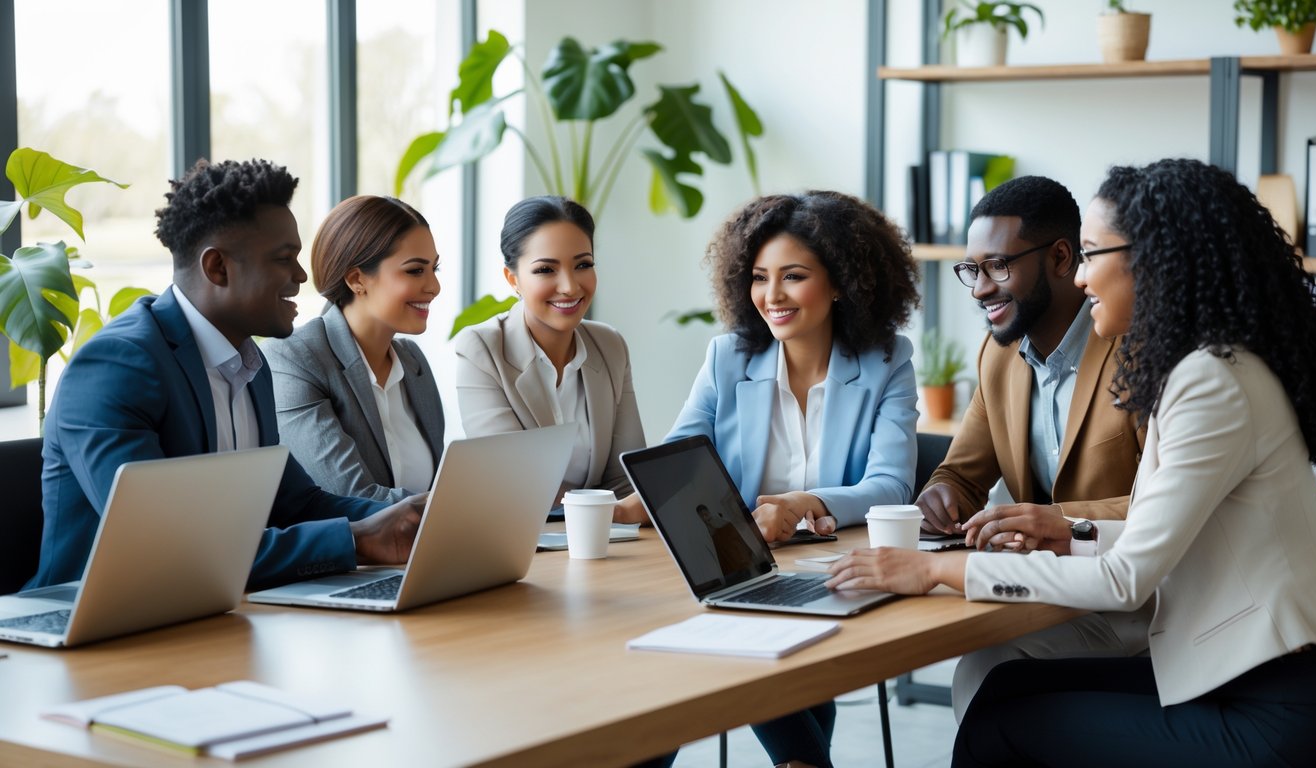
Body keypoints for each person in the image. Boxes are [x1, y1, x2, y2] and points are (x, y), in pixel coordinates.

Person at [827, 158, 1316, 766]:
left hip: (1268, 706)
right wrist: (1071, 530)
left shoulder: (1209, 381)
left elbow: (1125, 580)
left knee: (1006, 726)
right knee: (1003, 690)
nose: (1085, 278)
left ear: (1153, 259)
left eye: (1093, 255)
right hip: (1225, 676)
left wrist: (935, 572)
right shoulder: (1197, 368)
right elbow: (1149, 530)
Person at [30, 159, 425, 592]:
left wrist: (414, 515)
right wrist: (358, 540)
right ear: (218, 267)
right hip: (88, 623)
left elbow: (296, 502)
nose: (301, 276)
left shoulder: (249, 364)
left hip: (210, 611)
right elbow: (167, 546)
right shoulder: (117, 366)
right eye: (284, 258)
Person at [628, 190, 921, 768]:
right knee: (719, 645)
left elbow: (891, 485)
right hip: (741, 571)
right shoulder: (728, 359)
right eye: (760, 278)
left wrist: (803, 503)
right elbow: (678, 457)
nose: (771, 296)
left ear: (840, 282)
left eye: (792, 277)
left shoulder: (888, 362)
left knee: (748, 647)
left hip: (836, 575)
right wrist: (629, 504)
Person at [919, 175, 1147, 720]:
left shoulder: (1139, 351)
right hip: (1048, 591)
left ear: (1062, 258)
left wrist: (1057, 521)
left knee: (987, 664)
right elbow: (962, 474)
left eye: (998, 266)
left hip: (1138, 599)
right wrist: (941, 497)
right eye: (971, 270)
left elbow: (1168, 507)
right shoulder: (999, 356)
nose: (978, 288)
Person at [454, 196, 645, 513]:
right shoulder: (482, 350)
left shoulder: (609, 346)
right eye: (545, 269)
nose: (570, 287)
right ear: (512, 279)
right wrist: (614, 511)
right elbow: (519, 484)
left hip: (604, 540)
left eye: (583, 265)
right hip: (523, 543)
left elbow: (626, 478)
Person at [263, 195, 445, 502]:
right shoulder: (295, 359)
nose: (434, 287)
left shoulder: (412, 360)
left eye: (434, 270)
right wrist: (460, 503)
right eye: (415, 270)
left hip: (427, 547)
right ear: (357, 279)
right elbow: (354, 498)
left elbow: (439, 483)